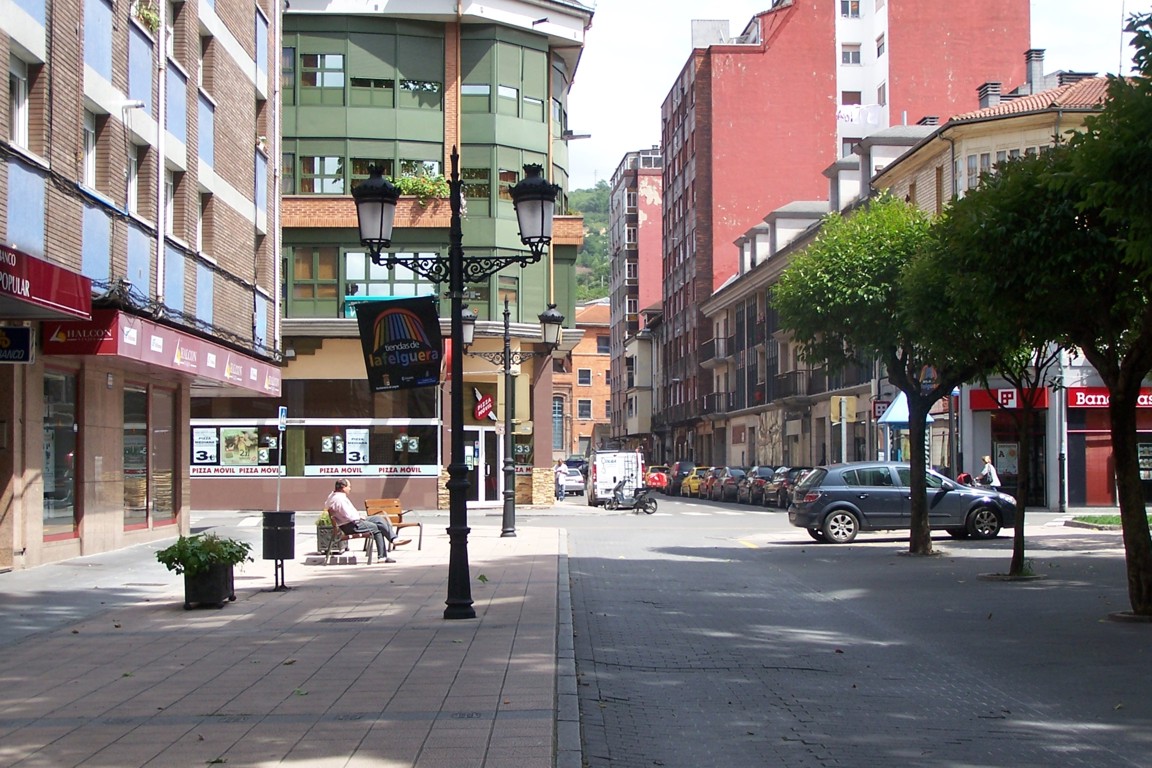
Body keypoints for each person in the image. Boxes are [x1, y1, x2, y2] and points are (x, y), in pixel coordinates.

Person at [324, 478, 408, 563]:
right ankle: (382, 556)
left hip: (352, 522)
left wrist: (360, 517)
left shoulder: (333, 496)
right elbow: (349, 516)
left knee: (378, 518)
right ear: (343, 487)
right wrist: (359, 517)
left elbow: (327, 505)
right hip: (352, 525)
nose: (350, 488)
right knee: (377, 528)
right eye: (349, 486)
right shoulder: (340, 499)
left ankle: (393, 539)